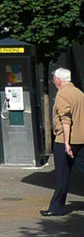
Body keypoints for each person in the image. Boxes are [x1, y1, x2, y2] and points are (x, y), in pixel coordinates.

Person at [42, 67, 84, 217]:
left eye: (54, 79)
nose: (54, 82)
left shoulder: (62, 94)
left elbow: (65, 120)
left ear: (59, 80)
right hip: (81, 140)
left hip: (64, 141)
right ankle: (55, 207)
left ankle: (56, 208)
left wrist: (66, 143)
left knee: (62, 175)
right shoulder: (79, 93)